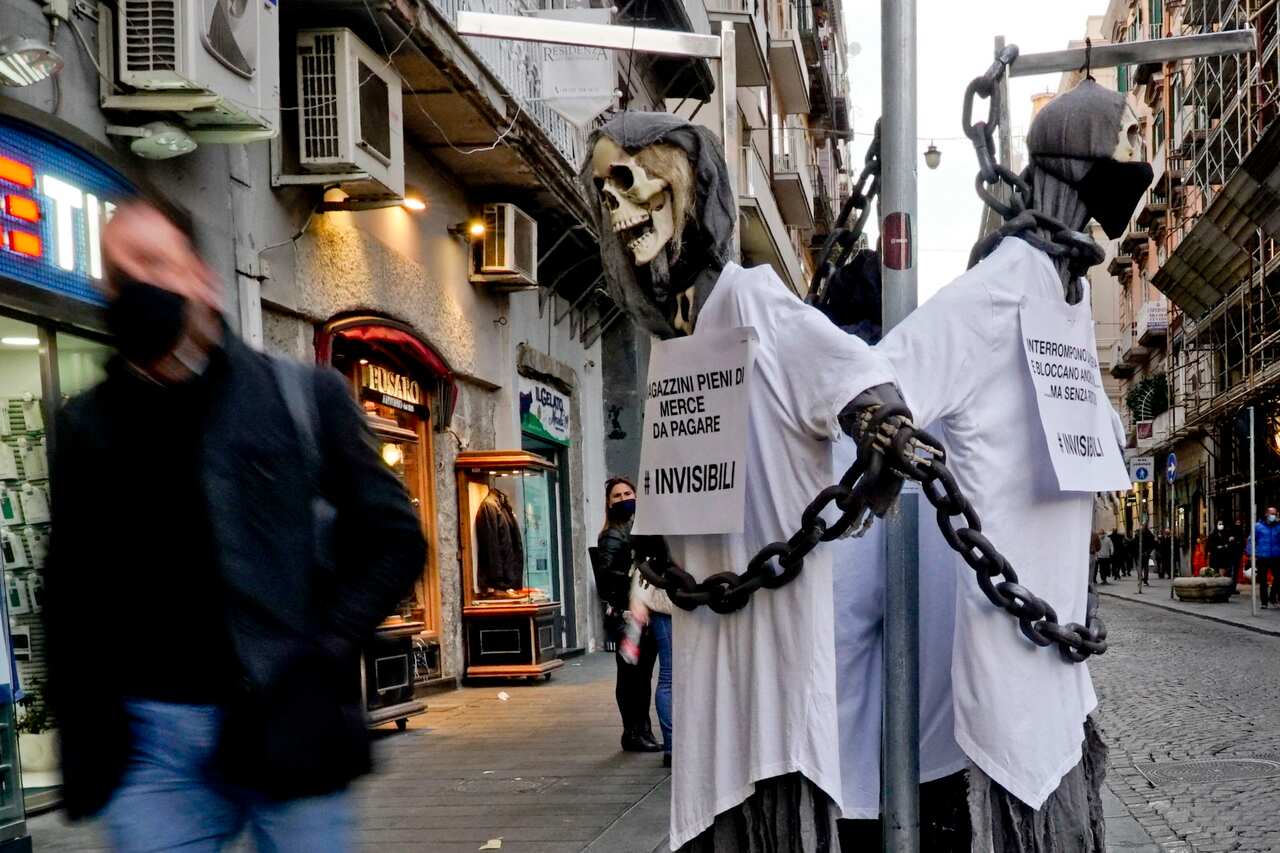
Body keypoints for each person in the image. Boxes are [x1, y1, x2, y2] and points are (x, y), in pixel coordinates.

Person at [44, 199, 428, 851]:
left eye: (153, 262)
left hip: (288, 723)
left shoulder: (299, 397)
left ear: (202, 279)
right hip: (152, 749)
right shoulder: (89, 426)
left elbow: (395, 537)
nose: (134, 283)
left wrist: (325, 653)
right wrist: (84, 734)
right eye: (117, 271)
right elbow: (69, 589)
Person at [594, 477, 662, 753]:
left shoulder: (632, 529)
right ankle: (634, 732)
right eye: (617, 496)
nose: (623, 499)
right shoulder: (613, 534)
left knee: (640, 675)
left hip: (635, 613)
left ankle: (640, 730)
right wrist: (634, 595)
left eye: (627, 493)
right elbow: (609, 575)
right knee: (633, 676)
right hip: (628, 616)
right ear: (609, 504)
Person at [1247, 507, 1280, 608]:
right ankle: (1264, 602)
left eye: (1275, 514)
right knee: (1263, 580)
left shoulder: (1278, 526)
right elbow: (1251, 540)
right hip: (1262, 556)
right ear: (1266, 514)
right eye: (1272, 513)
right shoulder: (1258, 526)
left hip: (1276, 556)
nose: (1273, 516)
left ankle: (1273, 597)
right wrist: (1251, 553)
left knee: (1278, 578)